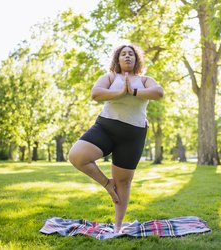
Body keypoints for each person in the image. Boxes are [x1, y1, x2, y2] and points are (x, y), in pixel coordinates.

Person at [68, 44, 164, 233]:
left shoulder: (145, 80)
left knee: (124, 183)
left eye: (131, 54)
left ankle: (118, 227)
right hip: (106, 127)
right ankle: (107, 183)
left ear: (136, 59)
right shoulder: (110, 77)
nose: (127, 57)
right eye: (123, 54)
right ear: (117, 60)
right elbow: (96, 94)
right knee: (76, 156)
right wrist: (120, 92)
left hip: (132, 135)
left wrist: (133, 92)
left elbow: (159, 93)